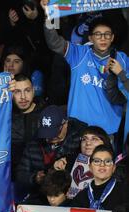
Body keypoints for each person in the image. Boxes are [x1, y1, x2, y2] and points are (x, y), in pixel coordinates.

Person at [41, 1, 129, 136]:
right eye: (98, 34)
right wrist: (49, 16)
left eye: (107, 34)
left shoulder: (122, 59)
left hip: (108, 132)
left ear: (112, 37)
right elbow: (54, 42)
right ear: (90, 38)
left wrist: (121, 74)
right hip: (78, 129)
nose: (103, 38)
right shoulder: (79, 53)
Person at [15, 104, 85, 195]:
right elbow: (20, 174)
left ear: (65, 124)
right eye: (46, 133)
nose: (50, 138)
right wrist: (35, 178)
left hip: (72, 194)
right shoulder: (34, 144)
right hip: (42, 194)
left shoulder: (80, 139)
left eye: (54, 133)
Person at [53, 126, 111, 199]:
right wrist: (54, 168)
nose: (88, 143)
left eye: (94, 139)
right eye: (84, 139)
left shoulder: (113, 165)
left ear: (104, 143)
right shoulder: (67, 161)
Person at [8, 74, 46, 179]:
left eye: (27, 90)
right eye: (17, 92)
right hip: (12, 179)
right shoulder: (6, 116)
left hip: (41, 179)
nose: (23, 97)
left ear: (33, 91)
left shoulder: (46, 114)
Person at [71, 145, 128, 211]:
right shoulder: (81, 197)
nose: (102, 165)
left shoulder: (125, 192)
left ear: (114, 168)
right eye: (97, 161)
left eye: (107, 161)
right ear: (90, 168)